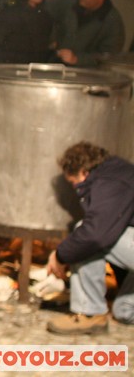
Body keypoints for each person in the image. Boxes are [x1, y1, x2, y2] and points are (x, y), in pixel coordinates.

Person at [46, 141, 134, 335]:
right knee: (125, 310)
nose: (75, 189)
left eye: (73, 183)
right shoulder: (117, 174)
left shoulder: (113, 182)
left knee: (84, 234)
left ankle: (89, 313)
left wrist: (60, 255)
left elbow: (95, 235)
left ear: (84, 172)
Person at [47, 0, 125, 67]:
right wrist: (52, 39)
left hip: (88, 74)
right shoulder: (69, 3)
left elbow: (109, 56)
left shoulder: (112, 21)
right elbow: (45, 13)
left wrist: (77, 59)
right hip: (57, 65)